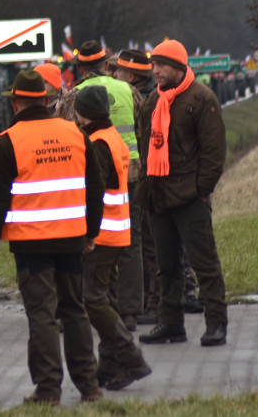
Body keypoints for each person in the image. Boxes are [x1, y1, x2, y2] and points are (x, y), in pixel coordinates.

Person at [0, 69, 106, 406]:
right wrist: (91, 230)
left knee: (42, 314)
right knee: (75, 310)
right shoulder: (75, 134)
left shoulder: (8, 142)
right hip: (71, 240)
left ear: (16, 103)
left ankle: (48, 389)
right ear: (47, 101)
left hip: (31, 244)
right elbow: (95, 186)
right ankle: (89, 386)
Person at [137, 39, 229, 347]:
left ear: (178, 66)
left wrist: (201, 191)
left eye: (161, 65)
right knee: (166, 267)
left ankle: (216, 323)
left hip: (191, 198)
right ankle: (171, 324)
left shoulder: (202, 98)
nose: (155, 70)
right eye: (154, 65)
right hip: (159, 197)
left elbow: (214, 153)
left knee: (204, 264)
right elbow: (144, 146)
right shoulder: (152, 101)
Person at [57, 41, 143, 329]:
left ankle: (95, 306)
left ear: (79, 67)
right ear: (107, 64)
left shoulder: (72, 97)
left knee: (94, 248)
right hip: (129, 170)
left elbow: (63, 137)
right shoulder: (129, 90)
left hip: (92, 178)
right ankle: (130, 310)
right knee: (130, 244)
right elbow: (143, 129)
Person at [73, 86, 152, 390]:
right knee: (104, 297)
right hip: (116, 229)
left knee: (92, 299)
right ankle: (107, 367)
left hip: (101, 233)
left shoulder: (95, 143)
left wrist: (88, 231)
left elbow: (94, 189)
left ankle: (131, 357)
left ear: (84, 113)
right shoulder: (113, 138)